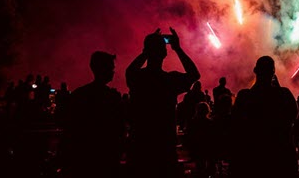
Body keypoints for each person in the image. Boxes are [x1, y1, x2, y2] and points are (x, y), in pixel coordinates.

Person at [125, 27, 200, 178]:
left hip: (140, 144)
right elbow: (194, 74)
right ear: (164, 53)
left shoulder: (138, 78)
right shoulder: (170, 80)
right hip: (164, 145)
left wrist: (147, 50)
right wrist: (177, 49)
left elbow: (130, 71)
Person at [230, 56, 298, 178]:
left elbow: (236, 124)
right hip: (280, 157)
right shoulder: (284, 95)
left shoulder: (244, 96)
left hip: (252, 156)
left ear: (255, 70)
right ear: (273, 72)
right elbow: (293, 116)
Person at [59, 51, 124, 178]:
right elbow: (118, 128)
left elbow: (70, 127)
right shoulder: (112, 97)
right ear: (103, 69)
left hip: (83, 158)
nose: (113, 72)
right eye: (111, 68)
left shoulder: (79, 95)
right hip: (106, 157)